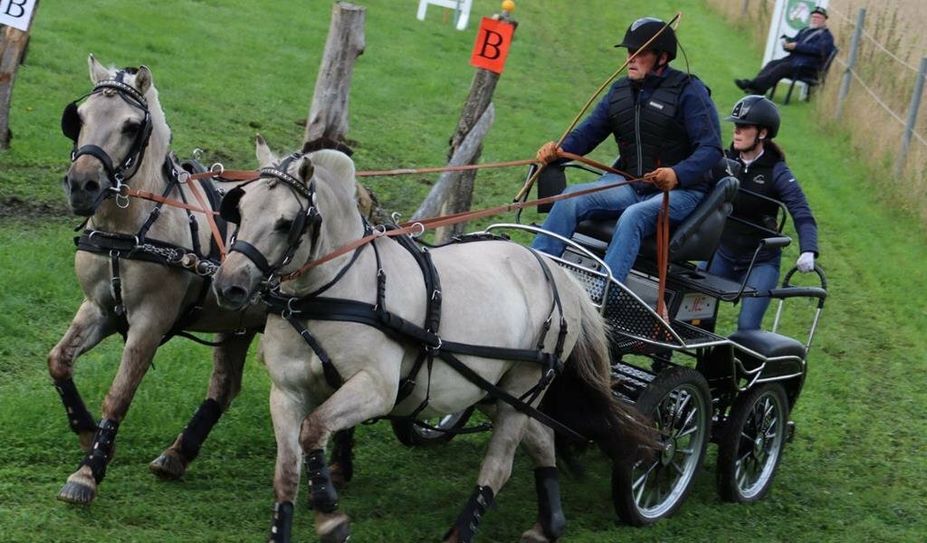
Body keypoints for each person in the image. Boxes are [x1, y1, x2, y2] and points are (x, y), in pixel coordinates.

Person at [531, 17, 723, 283]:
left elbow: (711, 148)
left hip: (681, 192)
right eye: (629, 52)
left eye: (640, 53)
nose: (630, 58)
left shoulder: (689, 91)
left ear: (663, 57)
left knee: (634, 216)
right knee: (570, 197)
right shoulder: (619, 92)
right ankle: (535, 274)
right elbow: (590, 132)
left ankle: (602, 294)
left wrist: (677, 174)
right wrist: (559, 149)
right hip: (631, 184)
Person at [707, 95, 819, 330]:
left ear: (763, 133)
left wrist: (809, 249)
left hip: (760, 261)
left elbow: (801, 211)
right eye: (735, 126)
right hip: (722, 253)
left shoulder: (777, 171)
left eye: (744, 127)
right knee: (693, 315)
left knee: (748, 327)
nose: (736, 132)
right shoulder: (723, 162)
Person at [735, 6, 835, 95]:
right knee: (772, 63)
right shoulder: (805, 30)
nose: (814, 19)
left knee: (782, 67)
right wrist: (787, 44)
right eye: (813, 17)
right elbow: (795, 43)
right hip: (794, 61)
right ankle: (758, 89)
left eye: (818, 18)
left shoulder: (826, 36)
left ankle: (751, 84)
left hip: (807, 67)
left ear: (824, 20)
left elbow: (820, 50)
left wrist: (797, 46)